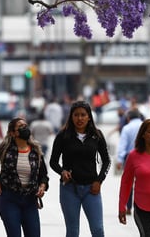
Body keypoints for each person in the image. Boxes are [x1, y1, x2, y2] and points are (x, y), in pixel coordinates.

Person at [49, 100, 111, 237]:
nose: (80, 118)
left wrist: (99, 181)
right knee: (72, 232)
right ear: (71, 116)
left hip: (92, 189)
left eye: (83, 115)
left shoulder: (97, 135)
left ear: (89, 116)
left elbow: (107, 161)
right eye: (76, 115)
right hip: (69, 189)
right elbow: (53, 162)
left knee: (98, 229)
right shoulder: (63, 136)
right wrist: (62, 171)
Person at [0, 117, 49, 237]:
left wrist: (42, 186)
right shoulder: (5, 149)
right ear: (12, 133)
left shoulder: (35, 151)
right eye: (20, 127)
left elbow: (43, 174)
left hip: (30, 201)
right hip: (9, 199)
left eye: (26, 126)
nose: (25, 129)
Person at [115, 109, 143, 214]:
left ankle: (129, 207)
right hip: (144, 157)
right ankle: (141, 206)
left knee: (129, 183)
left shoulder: (126, 128)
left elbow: (123, 145)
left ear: (128, 118)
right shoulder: (144, 126)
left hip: (129, 158)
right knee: (142, 182)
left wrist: (119, 160)